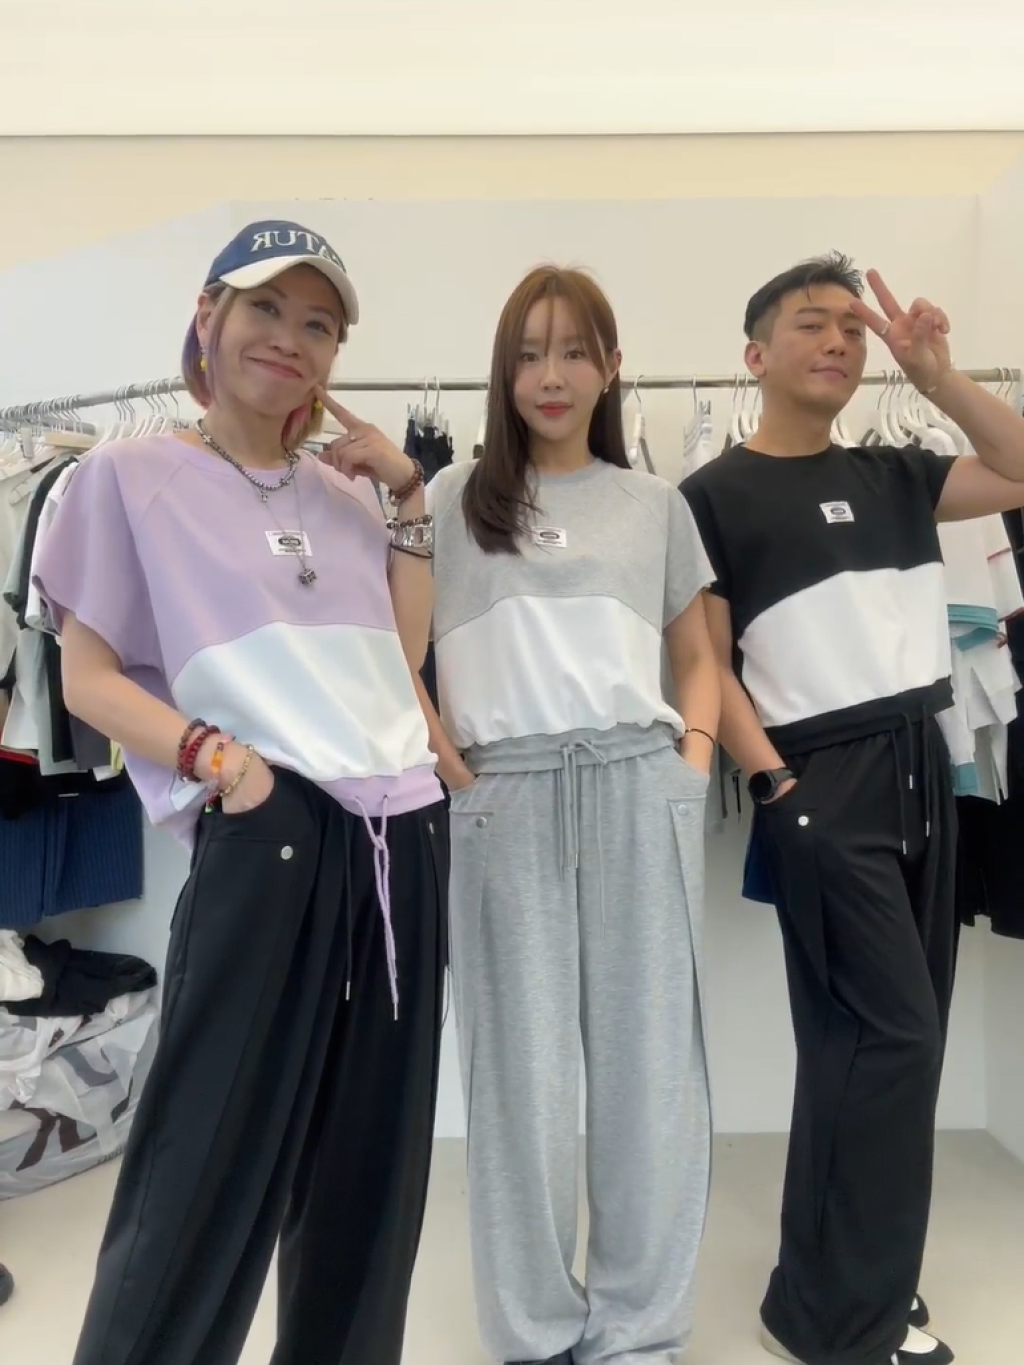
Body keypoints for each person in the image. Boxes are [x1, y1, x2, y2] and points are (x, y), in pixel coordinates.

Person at [34, 220, 448, 1365]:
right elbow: (86, 678)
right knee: (202, 1164)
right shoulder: (127, 477)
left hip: (402, 833)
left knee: (372, 1169)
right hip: (273, 830)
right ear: (208, 317)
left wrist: (409, 499)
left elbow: (402, 657)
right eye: (267, 308)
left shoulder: (347, 495)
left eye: (319, 324)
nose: (291, 338)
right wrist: (218, 758)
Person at [683, 252, 1024, 1365]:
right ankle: (843, 1324)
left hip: (923, 759)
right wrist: (772, 780)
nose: (837, 340)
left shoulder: (896, 472)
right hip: (820, 775)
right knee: (886, 1037)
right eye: (809, 323)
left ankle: (843, 1287)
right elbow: (702, 662)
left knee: (886, 1045)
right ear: (754, 354)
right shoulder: (711, 496)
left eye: (850, 327)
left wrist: (938, 377)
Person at [418, 265, 720, 1365]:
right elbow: (391, 648)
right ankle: (537, 1333)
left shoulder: (654, 505)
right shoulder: (450, 498)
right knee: (521, 1084)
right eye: (530, 353)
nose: (552, 375)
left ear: (611, 366)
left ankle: (639, 1330)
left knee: (652, 1077)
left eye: (575, 351)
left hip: (639, 787)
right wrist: (454, 766)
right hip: (504, 799)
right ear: (503, 371)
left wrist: (690, 767)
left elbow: (698, 658)